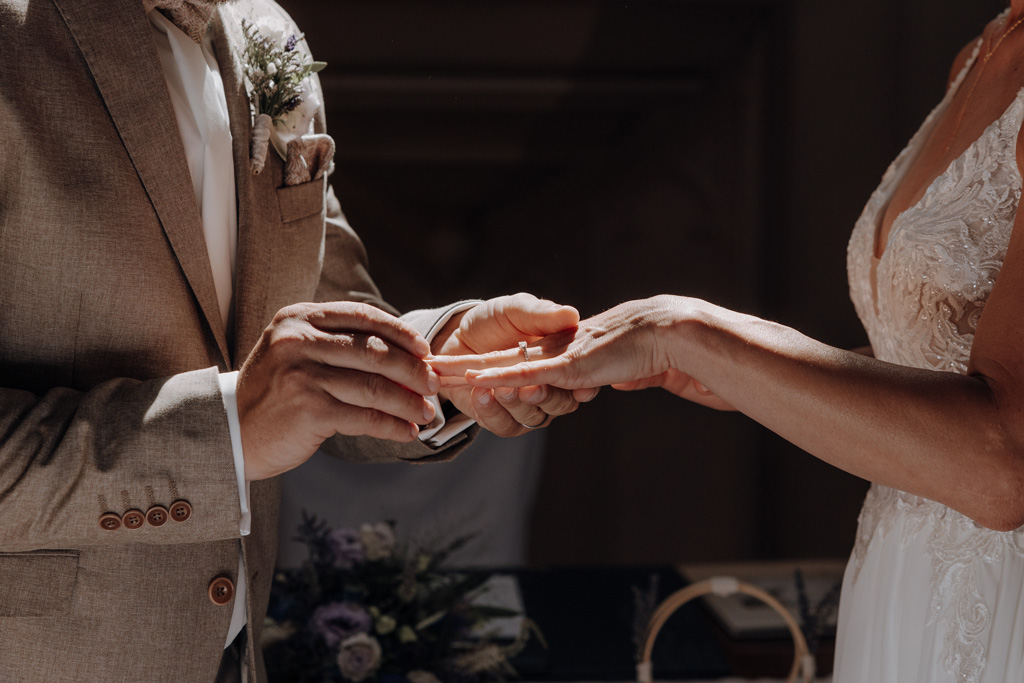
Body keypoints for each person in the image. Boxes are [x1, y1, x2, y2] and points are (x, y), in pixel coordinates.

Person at [0, 0, 594, 681]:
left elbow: (322, 312)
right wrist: (227, 430)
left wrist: (444, 358)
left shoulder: (265, 29)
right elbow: (256, 402)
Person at [435, 4, 1024, 682]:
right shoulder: (983, 53)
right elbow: (935, 360)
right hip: (904, 580)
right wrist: (753, 370)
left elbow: (1004, 463)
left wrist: (686, 335)